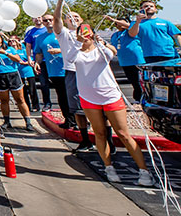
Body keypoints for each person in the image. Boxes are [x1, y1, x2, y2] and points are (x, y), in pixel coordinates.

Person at [64, 16, 154, 187]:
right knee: (99, 133)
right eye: (81, 33)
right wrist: (78, 42)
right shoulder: (76, 52)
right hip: (89, 98)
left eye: (87, 32)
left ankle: (144, 171)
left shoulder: (101, 49)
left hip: (110, 95)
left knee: (123, 133)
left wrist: (101, 43)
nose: (85, 35)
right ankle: (108, 167)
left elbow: (110, 54)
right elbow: (70, 59)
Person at [52, 0, 96, 153]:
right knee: (77, 108)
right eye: (69, 17)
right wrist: (60, 3)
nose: (73, 18)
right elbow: (56, 19)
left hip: (91, 72)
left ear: (82, 19)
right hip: (72, 72)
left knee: (98, 106)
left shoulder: (89, 33)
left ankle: (107, 141)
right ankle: (85, 140)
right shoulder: (63, 33)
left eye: (76, 16)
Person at [0, 30, 34, 131]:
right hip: (0, 76)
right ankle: (7, 121)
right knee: (4, 100)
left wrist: (5, 53)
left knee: (20, 99)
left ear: (1, 38)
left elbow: (18, 59)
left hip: (13, 75)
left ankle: (28, 122)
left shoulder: (10, 49)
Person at [34, 14, 74, 129]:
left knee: (73, 95)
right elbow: (39, 53)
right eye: (45, 20)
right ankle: (68, 119)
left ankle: (79, 120)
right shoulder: (40, 38)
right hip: (54, 71)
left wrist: (60, 50)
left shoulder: (65, 34)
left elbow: (76, 47)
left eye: (50, 19)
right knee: (61, 96)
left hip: (69, 68)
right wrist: (37, 62)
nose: (48, 22)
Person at [106, 15, 145, 101]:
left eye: (122, 23)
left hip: (136, 61)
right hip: (124, 62)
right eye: (117, 24)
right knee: (133, 82)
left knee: (140, 82)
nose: (120, 25)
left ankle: (142, 99)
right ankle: (138, 99)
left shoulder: (131, 31)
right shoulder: (115, 35)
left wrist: (112, 19)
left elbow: (131, 27)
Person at [25, 16, 52, 111]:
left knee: (58, 82)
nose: (37, 19)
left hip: (53, 60)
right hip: (39, 61)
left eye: (40, 17)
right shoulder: (30, 32)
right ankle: (47, 103)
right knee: (43, 83)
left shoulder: (49, 28)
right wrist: (29, 58)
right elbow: (28, 46)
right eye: (34, 18)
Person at [12, 35, 40, 113]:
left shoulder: (23, 50)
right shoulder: (11, 51)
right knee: (23, 91)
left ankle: (35, 106)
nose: (12, 43)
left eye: (14, 41)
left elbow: (30, 60)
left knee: (32, 90)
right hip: (19, 74)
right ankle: (27, 106)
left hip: (28, 72)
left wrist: (24, 62)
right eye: (11, 41)